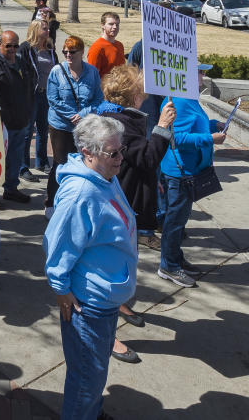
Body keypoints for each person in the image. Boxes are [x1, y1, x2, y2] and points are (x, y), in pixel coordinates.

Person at [44, 115, 137, 420]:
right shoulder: (82, 194)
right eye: (114, 153)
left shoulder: (104, 177)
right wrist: (61, 289)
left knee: (92, 374)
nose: (121, 159)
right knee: (86, 378)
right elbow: (57, 245)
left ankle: (90, 412)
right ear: (88, 153)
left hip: (105, 300)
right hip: (89, 305)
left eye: (121, 150)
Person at [97, 65, 176, 365]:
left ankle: (121, 306)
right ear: (132, 93)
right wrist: (164, 127)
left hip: (125, 202)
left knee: (124, 266)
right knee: (114, 270)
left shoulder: (124, 117)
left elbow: (138, 160)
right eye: (141, 83)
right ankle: (108, 336)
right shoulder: (119, 123)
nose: (146, 86)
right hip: (119, 206)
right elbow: (146, 156)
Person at [157, 63, 225, 288]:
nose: (204, 75)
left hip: (187, 170)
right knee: (174, 222)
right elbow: (179, 139)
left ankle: (175, 258)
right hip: (179, 171)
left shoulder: (189, 98)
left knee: (179, 221)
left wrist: (213, 125)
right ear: (186, 75)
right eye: (200, 72)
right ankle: (168, 266)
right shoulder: (180, 101)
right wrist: (211, 139)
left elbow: (196, 126)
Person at [46, 36, 104, 215]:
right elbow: (53, 99)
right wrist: (72, 115)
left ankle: (77, 200)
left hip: (84, 126)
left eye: (72, 52)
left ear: (81, 53)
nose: (68, 55)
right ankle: (51, 202)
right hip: (61, 126)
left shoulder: (92, 72)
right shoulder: (57, 71)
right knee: (60, 163)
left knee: (82, 163)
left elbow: (98, 98)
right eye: (65, 52)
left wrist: (84, 114)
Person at [0, 31, 36, 202]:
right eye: (8, 45)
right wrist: (3, 116)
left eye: (16, 45)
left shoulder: (21, 61)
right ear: (0, 45)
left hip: (21, 120)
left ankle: (11, 189)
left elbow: (29, 85)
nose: (12, 49)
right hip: (3, 123)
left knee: (15, 159)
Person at [18, 19, 57, 180]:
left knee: (43, 129)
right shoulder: (26, 48)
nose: (48, 31)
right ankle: (23, 167)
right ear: (35, 30)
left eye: (48, 29)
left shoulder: (50, 49)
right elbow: (20, 70)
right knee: (27, 132)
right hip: (30, 95)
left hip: (46, 94)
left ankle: (42, 162)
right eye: (45, 29)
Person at [86, 12, 125, 80]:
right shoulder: (97, 48)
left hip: (120, 88)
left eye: (117, 24)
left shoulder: (120, 45)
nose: (115, 27)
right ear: (103, 25)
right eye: (111, 24)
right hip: (103, 89)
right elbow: (92, 77)